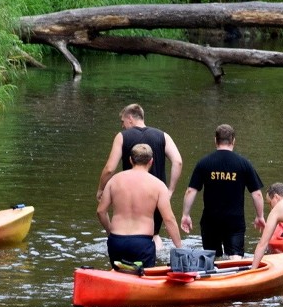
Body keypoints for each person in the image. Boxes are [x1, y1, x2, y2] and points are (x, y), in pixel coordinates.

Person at [97, 103, 183, 249]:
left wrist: (101, 189)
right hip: (156, 194)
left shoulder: (122, 136)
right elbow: (178, 161)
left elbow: (110, 169)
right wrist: (170, 190)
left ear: (130, 118)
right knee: (154, 234)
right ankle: (155, 263)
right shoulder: (163, 136)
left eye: (123, 122)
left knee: (126, 229)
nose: (123, 126)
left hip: (127, 193)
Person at [180, 124, 265, 260]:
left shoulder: (204, 163)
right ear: (233, 141)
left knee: (212, 258)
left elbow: (191, 191)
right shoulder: (244, 164)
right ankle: (236, 280)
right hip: (235, 221)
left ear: (215, 140)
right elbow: (257, 194)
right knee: (235, 257)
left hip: (210, 220)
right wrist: (259, 216)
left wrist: (186, 215)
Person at [97, 144, 182, 269]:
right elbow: (169, 219)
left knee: (119, 276)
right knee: (144, 279)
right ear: (151, 161)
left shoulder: (114, 180)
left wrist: (110, 232)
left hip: (116, 242)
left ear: (130, 160)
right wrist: (179, 248)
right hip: (141, 244)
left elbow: (101, 211)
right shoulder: (158, 185)